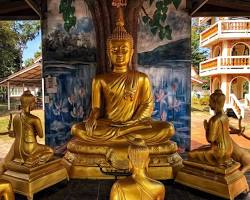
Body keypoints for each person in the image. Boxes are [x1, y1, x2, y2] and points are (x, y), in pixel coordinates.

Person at [71, 7, 174, 146]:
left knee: (167, 129)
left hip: (134, 124)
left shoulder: (141, 78)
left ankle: (120, 136)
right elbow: (96, 108)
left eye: (124, 50)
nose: (119, 54)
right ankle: (125, 136)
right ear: (108, 53)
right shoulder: (100, 80)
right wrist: (92, 118)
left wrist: (133, 122)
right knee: (77, 129)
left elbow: (147, 105)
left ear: (131, 53)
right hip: (110, 125)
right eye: (114, 50)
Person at [189, 89, 233, 165]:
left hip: (219, 152)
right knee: (201, 148)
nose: (209, 104)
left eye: (210, 102)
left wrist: (206, 128)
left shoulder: (214, 120)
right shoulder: (225, 117)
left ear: (215, 103)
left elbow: (210, 139)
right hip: (229, 150)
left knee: (191, 154)